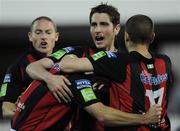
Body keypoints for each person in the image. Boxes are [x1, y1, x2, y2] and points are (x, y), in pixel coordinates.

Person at [26, 14, 172, 130]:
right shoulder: (164, 61)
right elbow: (32, 67)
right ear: (152, 37)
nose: (97, 30)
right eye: (93, 24)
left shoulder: (118, 60)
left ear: (119, 31)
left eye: (103, 24)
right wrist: (50, 78)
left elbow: (67, 65)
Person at [0, 16, 67, 119]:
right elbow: (6, 109)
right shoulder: (17, 67)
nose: (43, 37)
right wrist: (24, 109)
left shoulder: (67, 60)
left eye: (48, 32)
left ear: (56, 36)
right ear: (30, 36)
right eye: (38, 32)